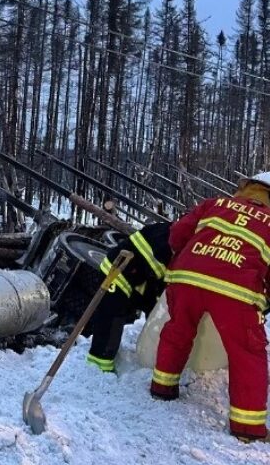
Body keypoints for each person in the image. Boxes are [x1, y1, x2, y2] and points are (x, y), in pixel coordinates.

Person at [150, 172, 270, 442]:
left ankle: (162, 387)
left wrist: (188, 258)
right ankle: (247, 427)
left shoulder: (215, 204)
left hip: (186, 278)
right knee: (247, 352)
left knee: (177, 333)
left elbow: (178, 233)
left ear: (247, 188)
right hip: (235, 291)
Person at [87, 222, 172, 372]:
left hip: (139, 277)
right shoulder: (173, 240)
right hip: (117, 272)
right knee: (111, 318)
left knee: (150, 312)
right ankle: (100, 364)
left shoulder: (169, 230)